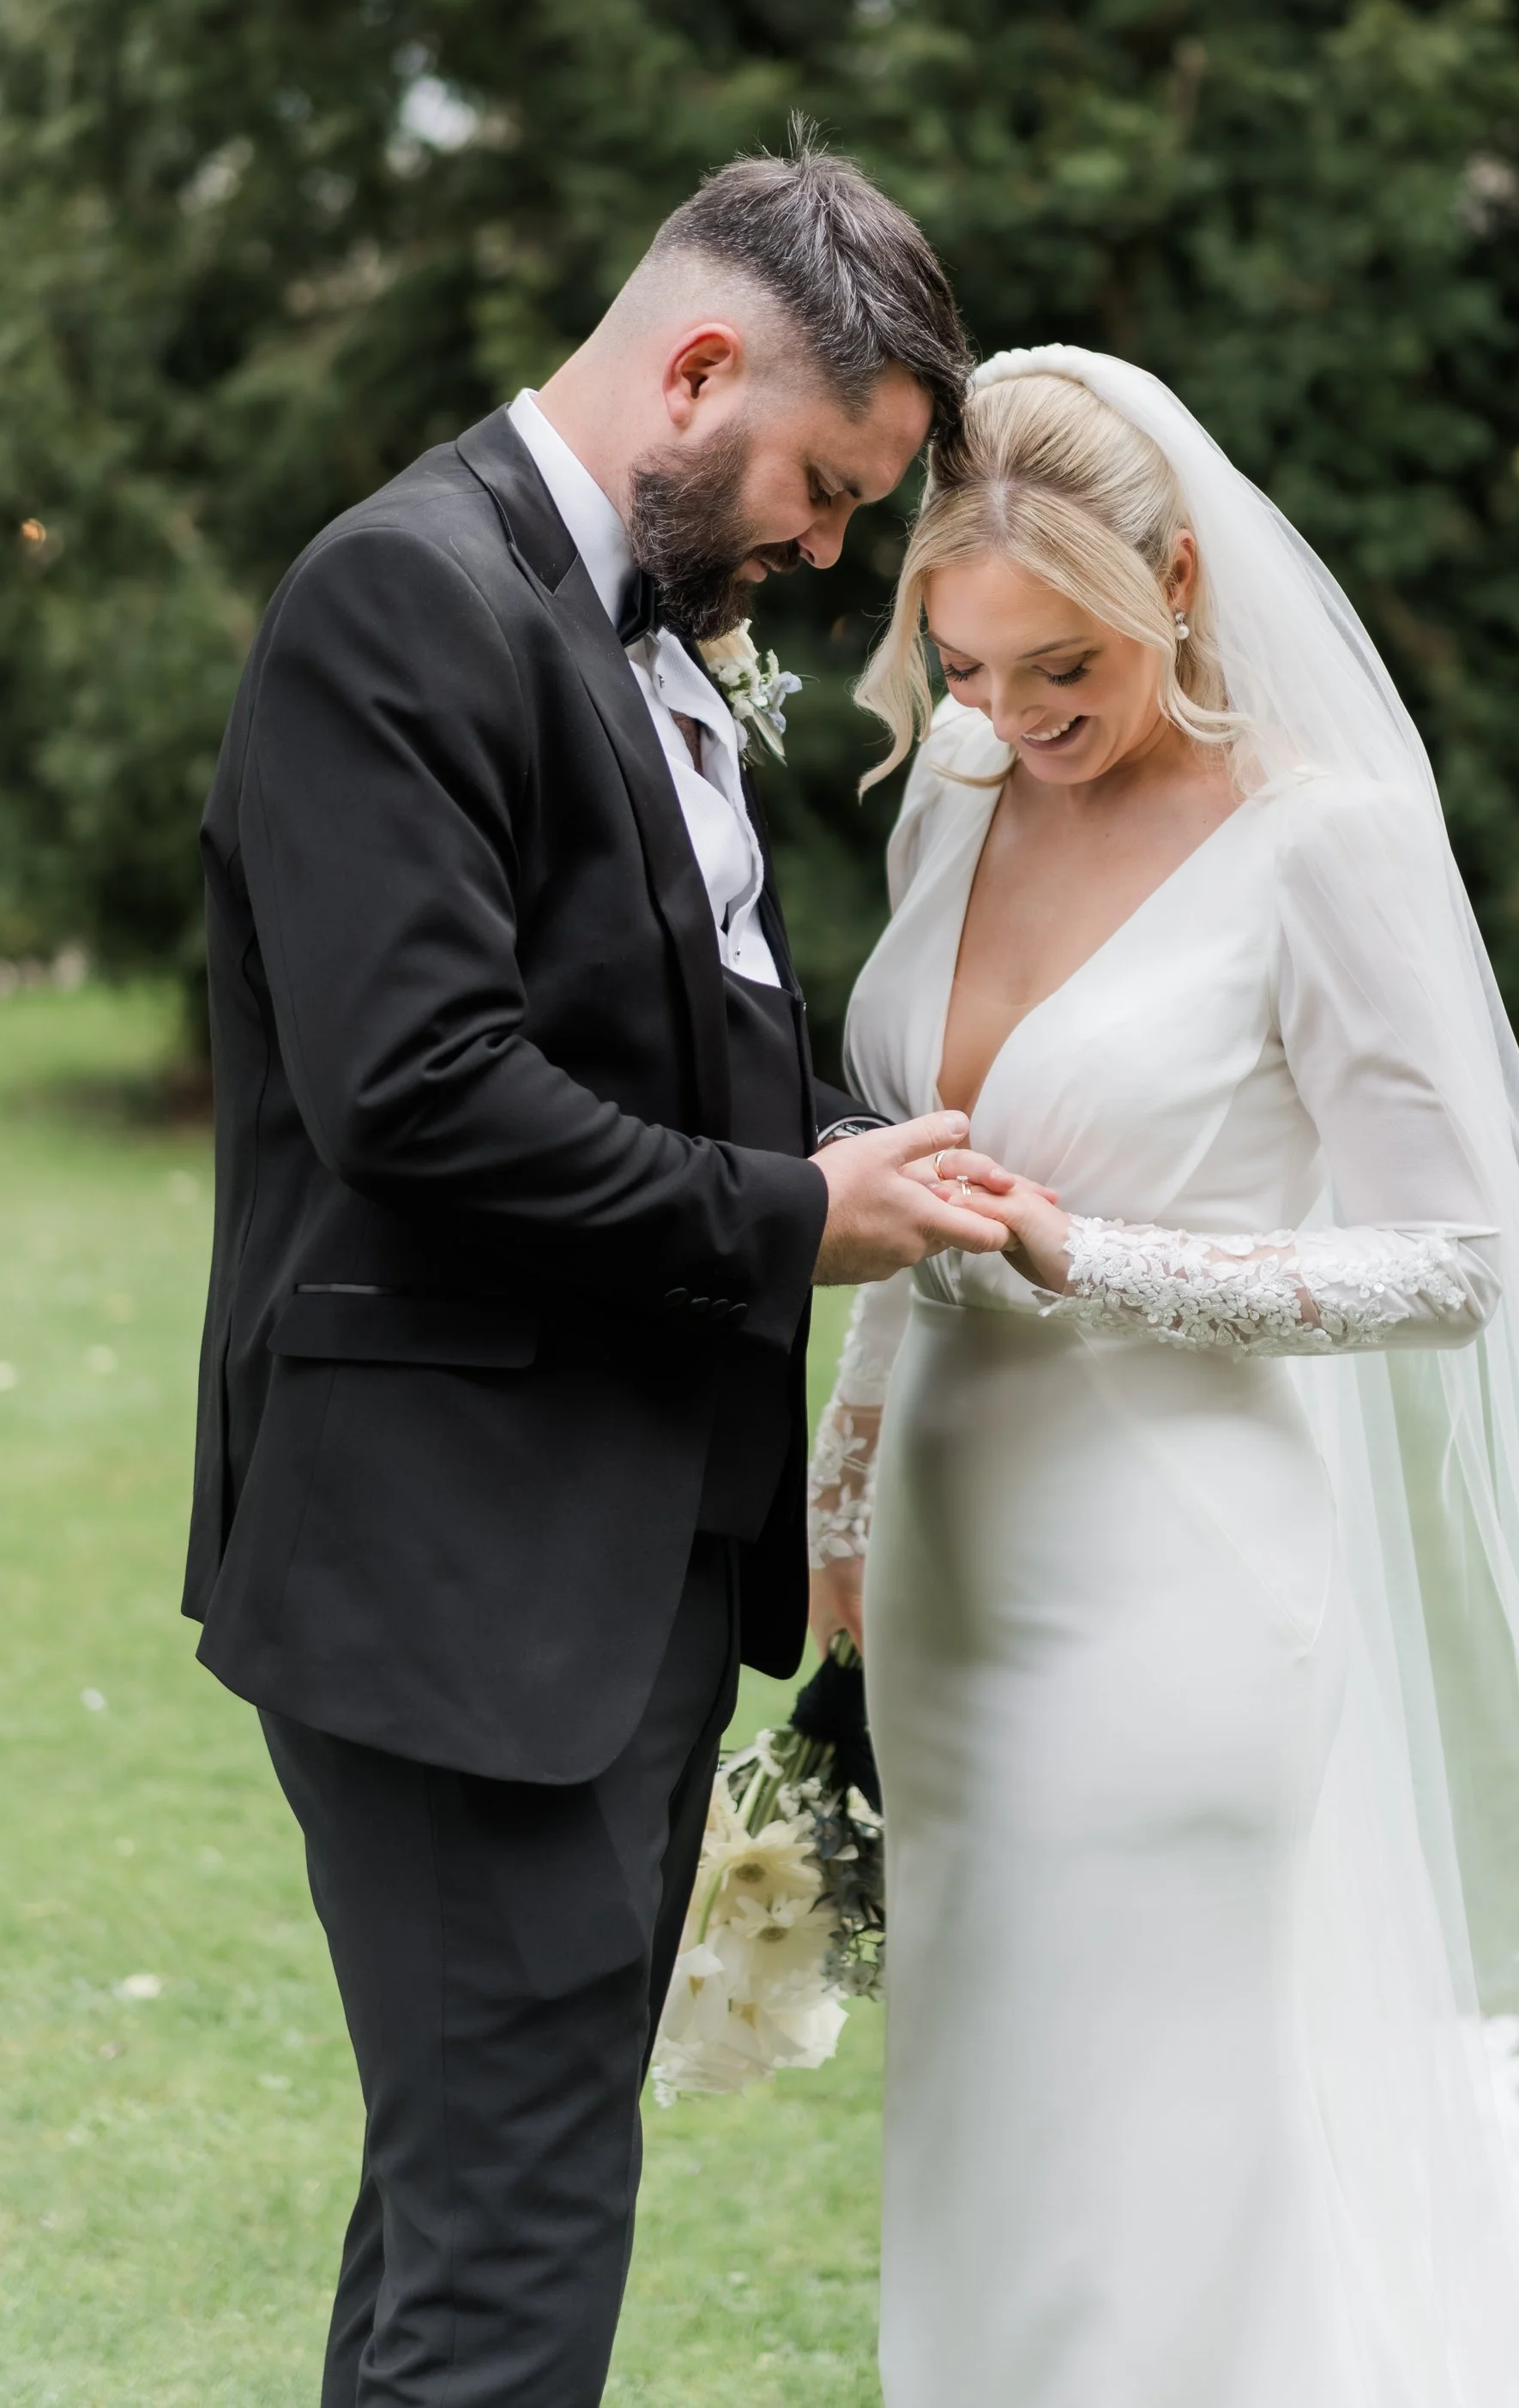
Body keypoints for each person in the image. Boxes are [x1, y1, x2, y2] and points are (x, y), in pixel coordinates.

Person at [808, 348, 1519, 2408]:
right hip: (955, 1572)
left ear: (1175, 582)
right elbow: (929, 1169)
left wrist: (1101, 1255)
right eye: (967, 671)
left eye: (1063, 670)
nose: (1012, 723)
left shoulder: (1316, 845)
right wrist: (844, 1488)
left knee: (1158, 2120)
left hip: (1178, 1575)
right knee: (989, 2101)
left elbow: (1453, 1260)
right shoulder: (961, 799)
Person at [181, 137, 1020, 2408]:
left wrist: (832, 1148)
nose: (829, 548)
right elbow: (422, 1091)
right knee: (513, 2227)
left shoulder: (628, 629)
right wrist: (792, 1221)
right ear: (701, 364)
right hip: (457, 1569)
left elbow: (646, 1029)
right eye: (827, 488)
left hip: (603, 1554)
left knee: (481, 2188)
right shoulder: (401, 599)